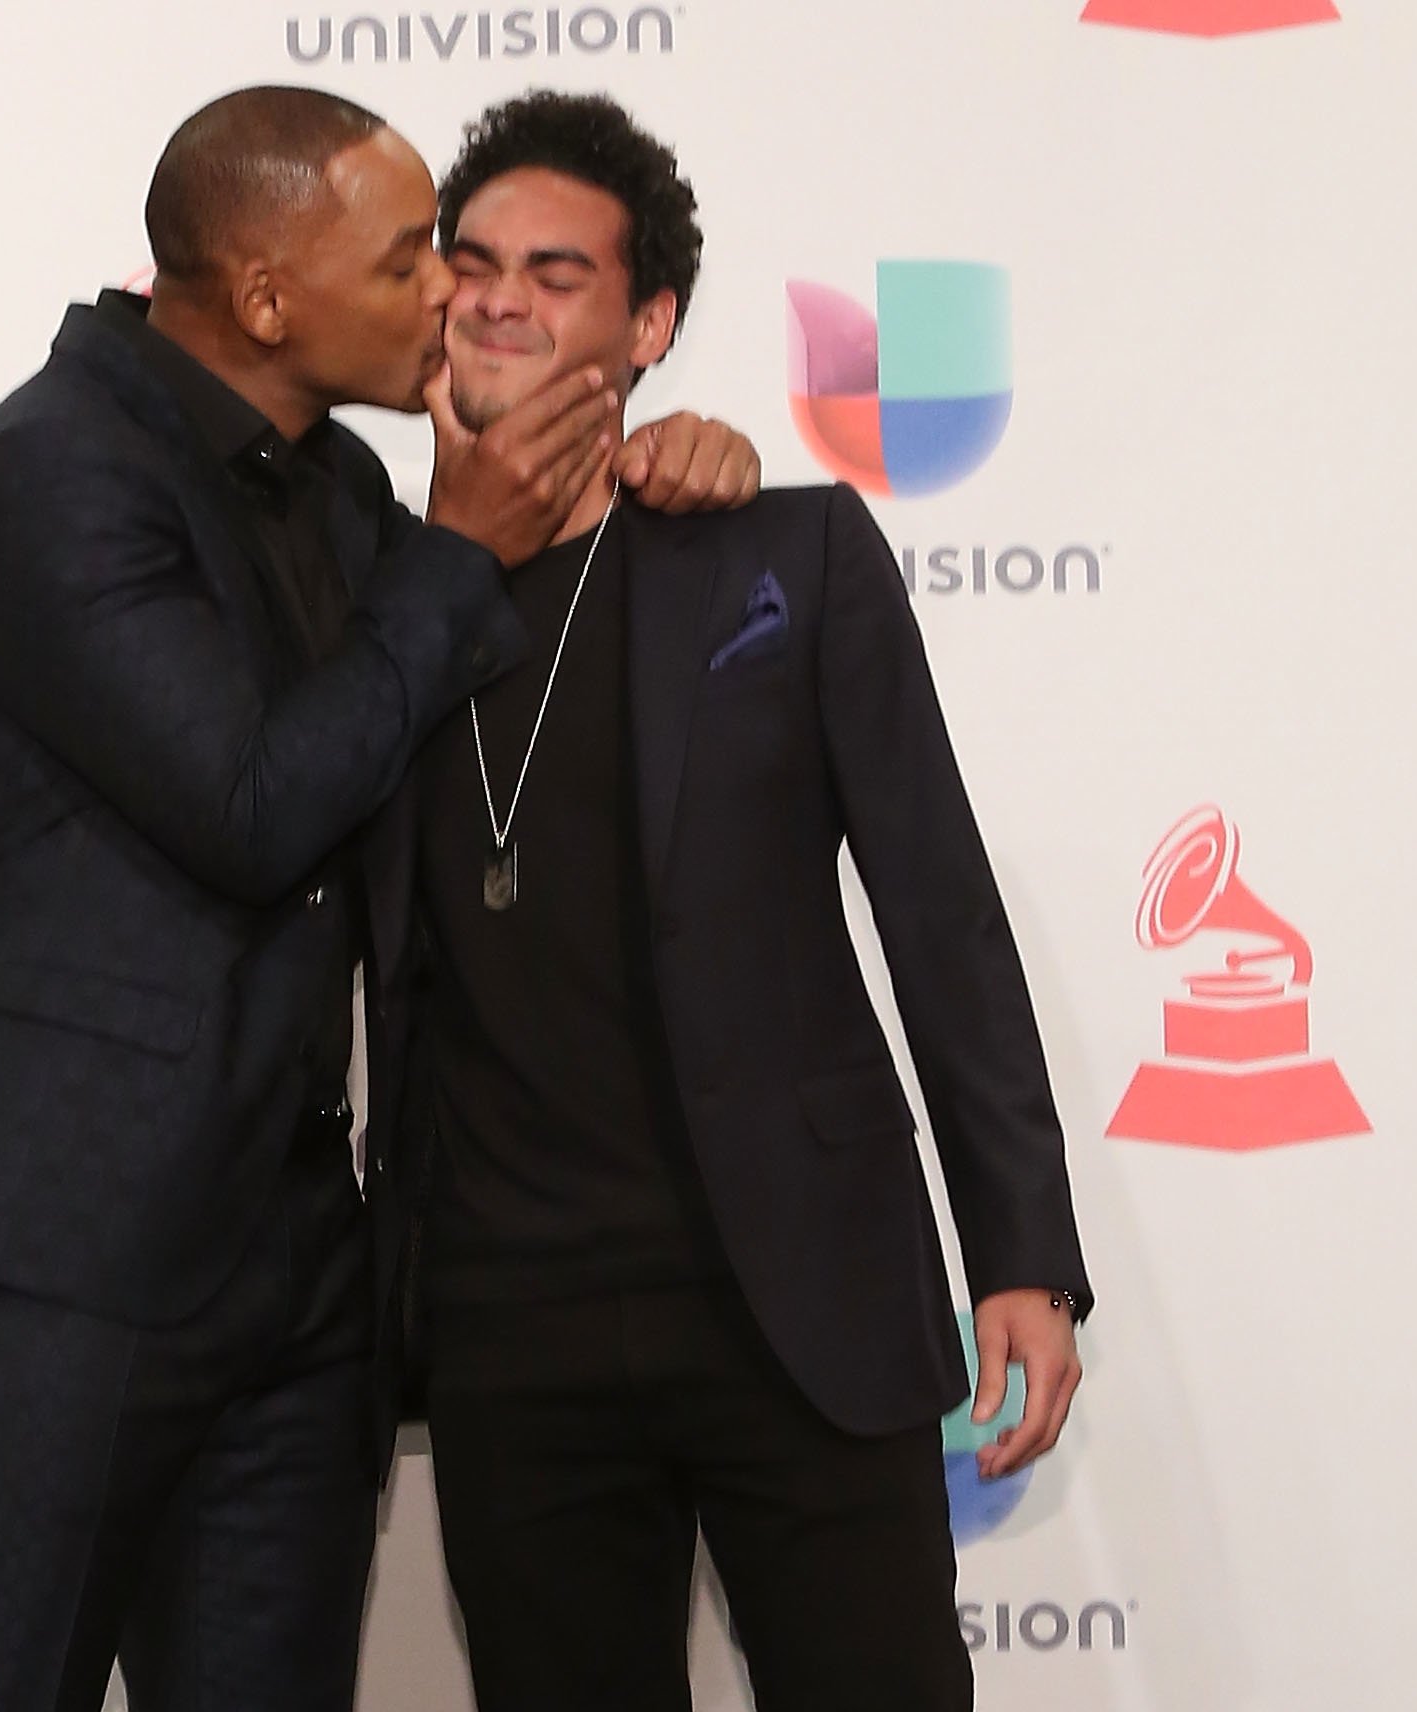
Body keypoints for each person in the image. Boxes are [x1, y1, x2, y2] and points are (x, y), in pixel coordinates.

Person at [0, 85, 760, 1712]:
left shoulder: (337, 487)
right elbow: (252, 807)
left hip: (295, 1282)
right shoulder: (50, 471)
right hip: (59, 1248)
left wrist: (672, 470)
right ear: (268, 297)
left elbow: (463, 719)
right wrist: (456, 548)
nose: (450, 291)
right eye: (411, 255)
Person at [367, 91, 1093, 1711]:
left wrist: (1022, 1255)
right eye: (469, 260)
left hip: (798, 1298)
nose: (497, 295)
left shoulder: (785, 549)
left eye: (556, 274)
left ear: (651, 324)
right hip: (509, 1323)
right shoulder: (365, 601)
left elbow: (939, 911)